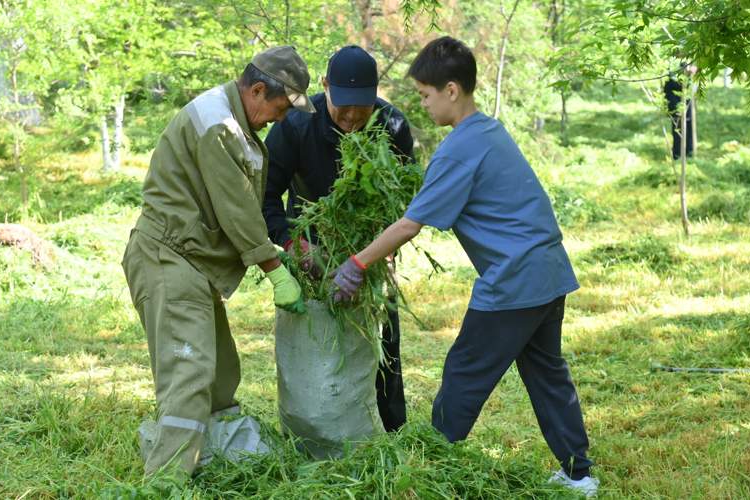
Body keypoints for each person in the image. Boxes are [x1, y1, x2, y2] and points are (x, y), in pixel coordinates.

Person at [330, 37, 598, 497]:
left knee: (463, 373)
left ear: (451, 90)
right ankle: (580, 475)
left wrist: (356, 263)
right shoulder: (490, 131)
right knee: (547, 373)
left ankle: (427, 470)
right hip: (548, 273)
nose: (423, 103)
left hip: (515, 280)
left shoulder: (460, 148)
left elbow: (411, 223)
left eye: (425, 94)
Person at [122, 46, 313, 477]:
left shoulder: (232, 119)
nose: (280, 120)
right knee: (189, 376)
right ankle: (165, 482)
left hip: (195, 263)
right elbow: (237, 208)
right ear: (258, 90)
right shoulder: (219, 125)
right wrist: (273, 267)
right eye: (280, 109)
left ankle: (216, 457)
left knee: (222, 372)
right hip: (168, 258)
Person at [262, 45, 414, 432]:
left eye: (360, 108)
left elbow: (405, 202)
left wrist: (382, 256)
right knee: (314, 343)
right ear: (326, 87)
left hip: (373, 253)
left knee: (382, 344)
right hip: (309, 250)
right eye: (342, 106)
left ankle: (388, 431)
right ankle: (310, 431)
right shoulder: (295, 125)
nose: (350, 118)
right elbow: (265, 197)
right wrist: (294, 245)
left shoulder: (392, 126)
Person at [663, 63, 696, 160]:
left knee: (688, 124)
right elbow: (673, 83)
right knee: (678, 125)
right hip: (675, 98)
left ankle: (689, 152)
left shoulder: (689, 58)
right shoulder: (672, 63)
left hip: (686, 97)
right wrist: (686, 73)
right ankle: (677, 154)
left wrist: (693, 70)